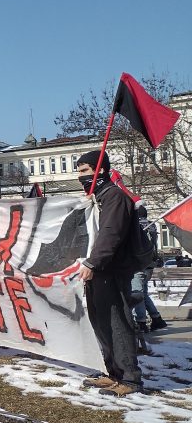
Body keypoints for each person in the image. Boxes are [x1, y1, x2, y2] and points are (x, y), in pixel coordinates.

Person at [75, 151, 144, 397]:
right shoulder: (97, 197)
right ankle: (113, 371)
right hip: (99, 270)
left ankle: (130, 378)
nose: (80, 176)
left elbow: (110, 235)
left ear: (100, 170)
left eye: (85, 171)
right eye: (79, 171)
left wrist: (94, 263)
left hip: (111, 269)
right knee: (101, 322)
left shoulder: (114, 196)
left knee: (117, 322)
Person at [131, 205, 167, 333]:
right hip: (149, 265)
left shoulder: (137, 225)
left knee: (137, 293)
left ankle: (141, 322)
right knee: (143, 293)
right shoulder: (151, 225)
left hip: (138, 265)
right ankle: (157, 319)